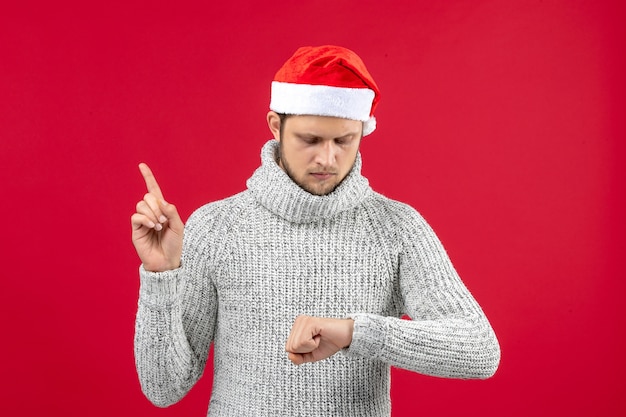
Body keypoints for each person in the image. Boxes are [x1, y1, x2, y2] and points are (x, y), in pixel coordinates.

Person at [132, 45, 500, 416]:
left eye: (344, 141)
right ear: (276, 126)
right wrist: (160, 276)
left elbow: (479, 349)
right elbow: (164, 388)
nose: (327, 158)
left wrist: (356, 333)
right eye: (310, 140)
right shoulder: (216, 227)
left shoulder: (396, 229)